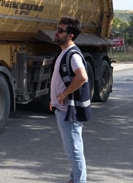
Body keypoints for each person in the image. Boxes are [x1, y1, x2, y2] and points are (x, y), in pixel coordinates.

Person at [49, 16, 92, 183]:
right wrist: (54, 98)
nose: (56, 33)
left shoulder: (72, 54)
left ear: (70, 35)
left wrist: (65, 93)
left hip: (68, 112)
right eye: (57, 29)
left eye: (60, 31)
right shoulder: (64, 53)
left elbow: (82, 77)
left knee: (74, 151)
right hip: (62, 109)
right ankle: (75, 179)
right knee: (73, 149)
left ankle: (79, 181)